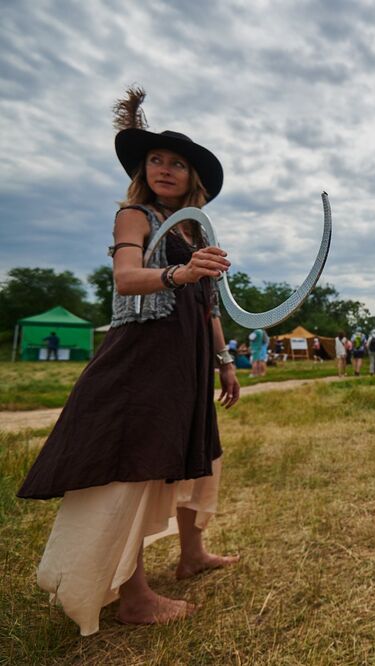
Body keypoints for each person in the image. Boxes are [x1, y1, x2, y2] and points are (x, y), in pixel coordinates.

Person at [17, 87, 239, 635]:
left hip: (185, 361)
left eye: (177, 163)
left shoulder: (193, 230)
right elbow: (126, 278)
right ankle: (132, 596)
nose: (164, 169)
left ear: (194, 179)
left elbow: (207, 304)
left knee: (197, 451)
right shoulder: (133, 217)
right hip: (142, 357)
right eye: (156, 160)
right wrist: (177, 274)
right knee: (136, 464)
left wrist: (225, 359)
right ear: (143, 169)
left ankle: (192, 555)